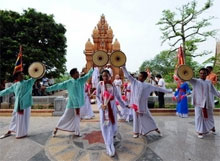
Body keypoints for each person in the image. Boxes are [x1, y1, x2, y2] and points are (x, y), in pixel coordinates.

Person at [122, 66, 172, 138]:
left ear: (144, 78)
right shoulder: (134, 82)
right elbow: (127, 75)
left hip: (143, 106)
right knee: (136, 119)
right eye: (139, 76)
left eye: (141, 76)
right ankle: (136, 132)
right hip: (135, 105)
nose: (139, 77)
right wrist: (123, 67)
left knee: (149, 118)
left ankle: (156, 128)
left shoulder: (148, 86)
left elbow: (158, 88)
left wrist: (169, 91)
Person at [46, 67, 94, 137]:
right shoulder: (68, 82)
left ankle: (77, 132)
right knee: (65, 116)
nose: (78, 73)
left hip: (78, 104)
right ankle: (56, 128)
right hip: (71, 103)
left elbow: (88, 75)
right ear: (73, 75)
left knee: (77, 117)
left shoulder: (81, 80)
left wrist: (92, 68)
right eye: (76, 72)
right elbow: (58, 86)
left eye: (78, 72)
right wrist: (47, 89)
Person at [96, 70, 128, 157]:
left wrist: (125, 105)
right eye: (103, 76)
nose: (105, 77)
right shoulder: (100, 84)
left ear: (110, 75)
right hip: (104, 108)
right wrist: (101, 105)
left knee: (111, 125)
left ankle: (110, 143)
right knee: (104, 125)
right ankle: (108, 145)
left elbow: (118, 97)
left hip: (112, 107)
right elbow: (97, 96)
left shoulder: (113, 85)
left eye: (106, 75)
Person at [0, 72, 36, 139]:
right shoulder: (15, 85)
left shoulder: (28, 82)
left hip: (25, 105)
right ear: (17, 77)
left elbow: (35, 76)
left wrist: (36, 70)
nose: (22, 75)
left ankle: (21, 133)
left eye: (22, 74)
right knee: (14, 118)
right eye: (20, 75)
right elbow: (6, 91)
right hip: (17, 105)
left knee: (23, 119)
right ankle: (11, 130)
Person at [189, 68, 220, 139]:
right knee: (199, 116)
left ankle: (212, 127)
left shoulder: (209, 82)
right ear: (199, 74)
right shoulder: (195, 81)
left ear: (207, 74)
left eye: (204, 73)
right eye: (201, 73)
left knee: (210, 115)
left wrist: (219, 95)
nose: (202, 74)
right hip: (198, 102)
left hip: (207, 102)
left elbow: (214, 91)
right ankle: (200, 131)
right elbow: (186, 77)